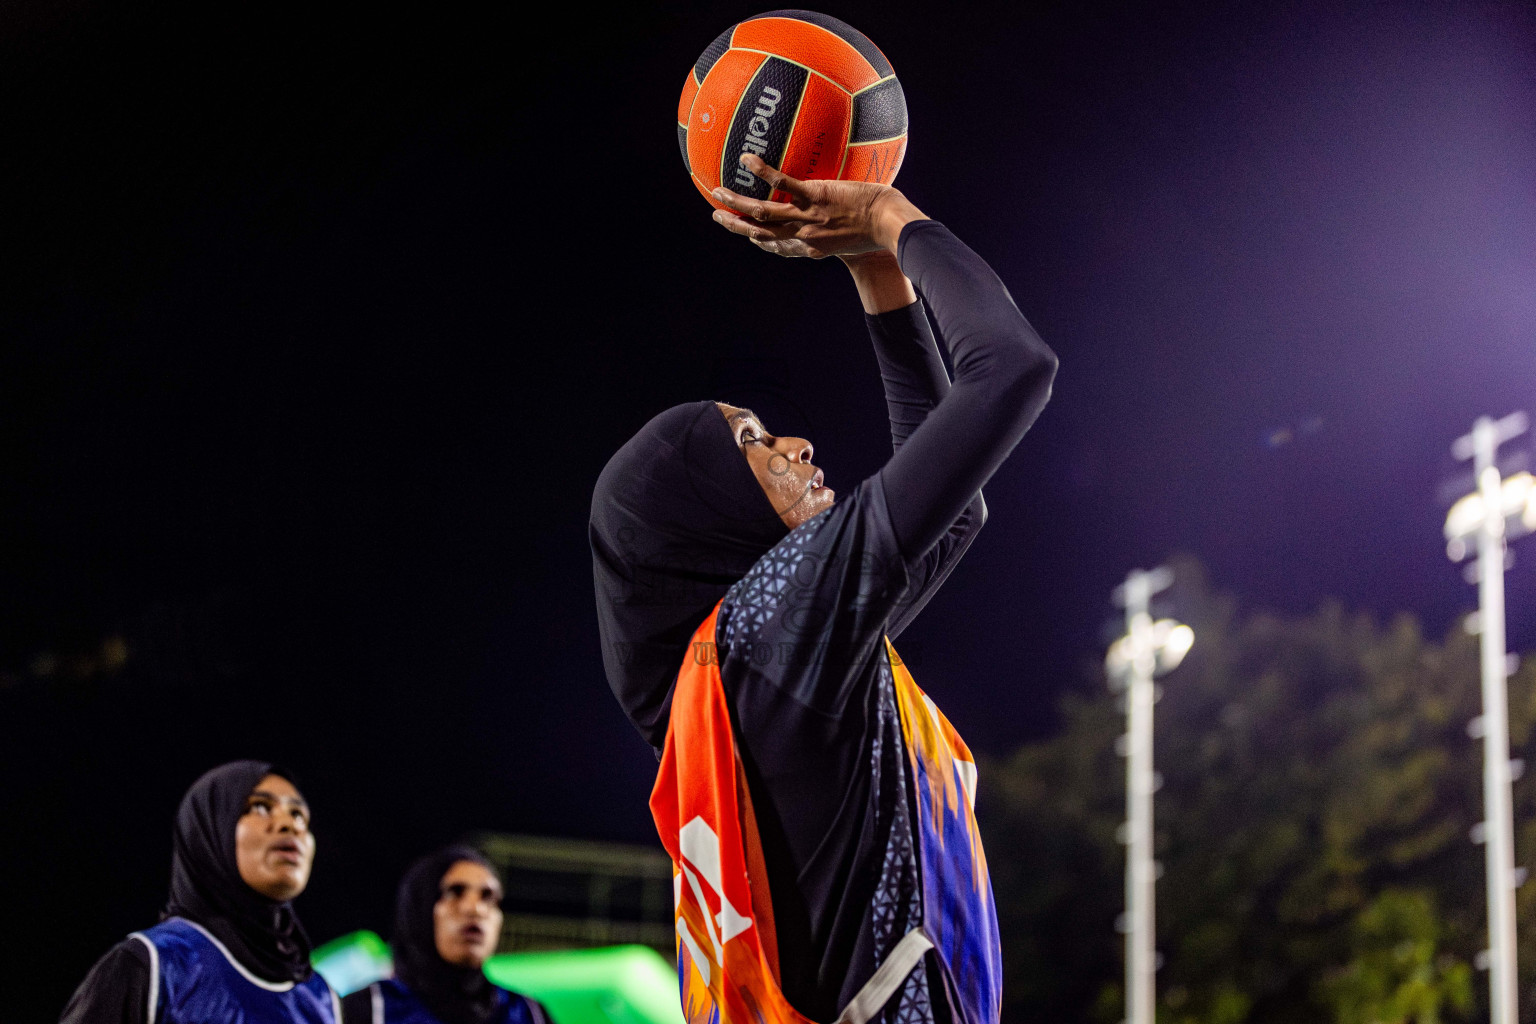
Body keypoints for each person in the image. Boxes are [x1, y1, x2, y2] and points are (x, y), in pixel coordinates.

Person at [590, 152, 1057, 1024]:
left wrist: (873, 270)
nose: (794, 445)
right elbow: (1012, 367)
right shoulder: (772, 624)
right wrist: (890, 219)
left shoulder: (749, 666)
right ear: (695, 514)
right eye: (750, 443)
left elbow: (958, 516)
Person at [61, 760, 338, 1023]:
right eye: (260, 807)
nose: (290, 825)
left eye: (299, 814)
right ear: (210, 830)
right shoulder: (154, 966)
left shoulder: (322, 999)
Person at [341, 846, 550, 1024]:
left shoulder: (528, 1014)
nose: (475, 909)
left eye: (488, 897)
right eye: (456, 892)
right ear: (420, 907)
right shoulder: (370, 1009)